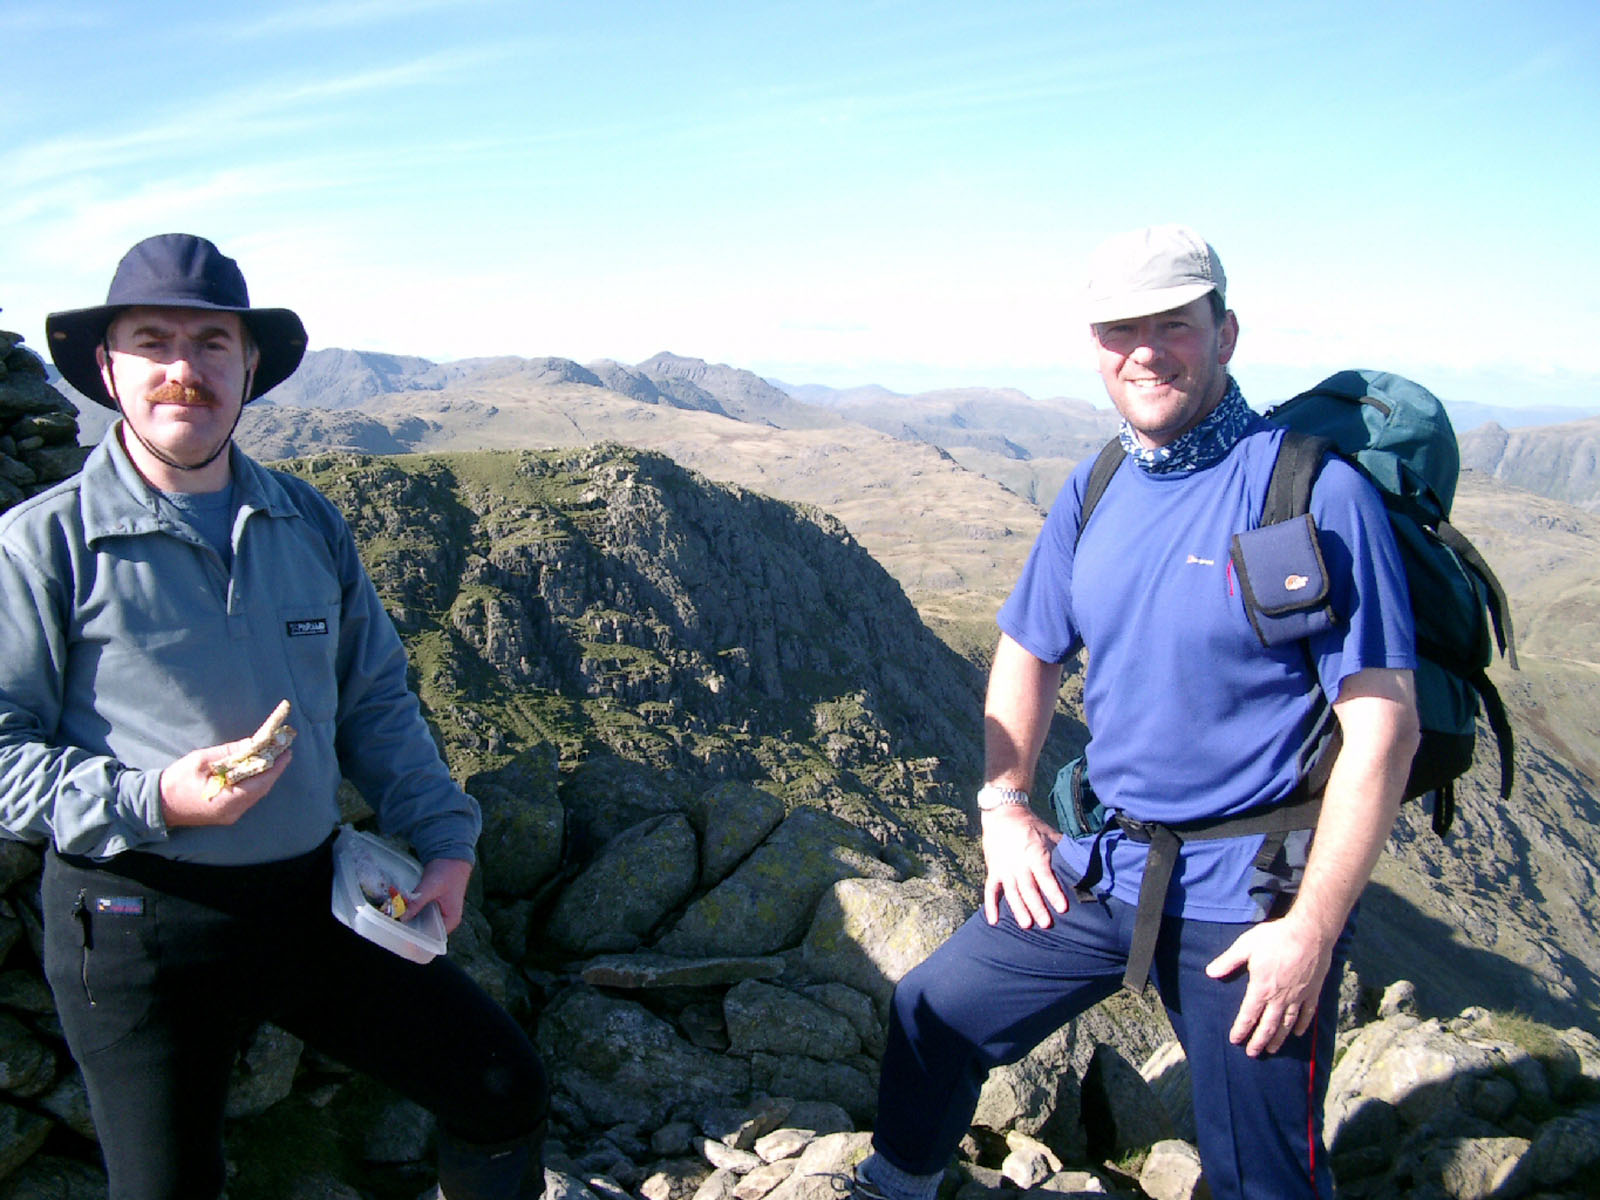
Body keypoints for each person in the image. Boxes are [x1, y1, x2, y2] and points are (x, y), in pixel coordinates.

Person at [856, 226, 1420, 1200]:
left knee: (1262, 1176)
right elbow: (1028, 650)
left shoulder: (1310, 491)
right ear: (1095, 348)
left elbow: (1383, 725)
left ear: (1225, 334)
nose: (1146, 352)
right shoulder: (1099, 485)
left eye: (1175, 325)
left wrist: (1312, 929)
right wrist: (1004, 806)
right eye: (1121, 330)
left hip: (1250, 894)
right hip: (1108, 862)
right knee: (932, 1014)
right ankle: (894, 1184)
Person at [0, 234, 547, 1199]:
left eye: (213, 343)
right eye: (152, 341)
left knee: (500, 1086)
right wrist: (153, 797)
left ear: (249, 367)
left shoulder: (308, 521)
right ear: (107, 369)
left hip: (311, 899)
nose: (184, 368)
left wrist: (445, 840)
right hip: (133, 918)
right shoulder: (43, 544)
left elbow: (375, 701)